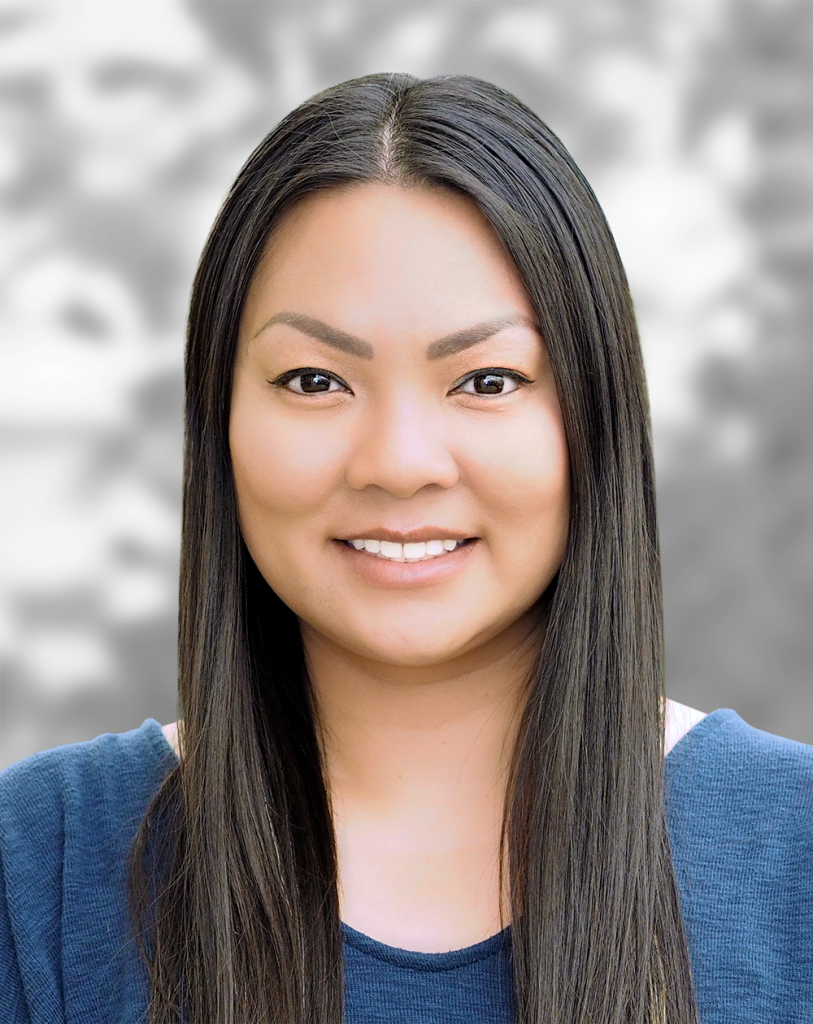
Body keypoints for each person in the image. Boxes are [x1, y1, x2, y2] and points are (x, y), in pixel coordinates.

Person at [0, 73, 810, 1024]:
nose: (399, 462)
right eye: (313, 379)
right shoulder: (40, 865)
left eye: (487, 381)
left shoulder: (791, 853)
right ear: (216, 419)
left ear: (596, 416)